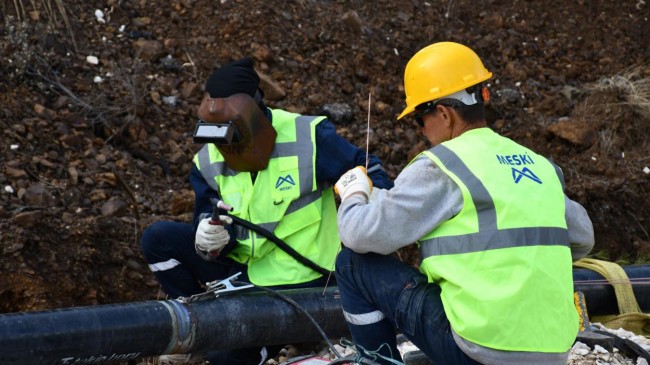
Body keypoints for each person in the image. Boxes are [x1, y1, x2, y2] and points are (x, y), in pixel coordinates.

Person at [332, 42, 595, 365]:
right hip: (552, 351)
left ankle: (377, 362)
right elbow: (583, 238)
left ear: (443, 113)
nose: (422, 130)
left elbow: (359, 233)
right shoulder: (538, 165)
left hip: (479, 350)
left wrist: (354, 192)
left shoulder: (442, 165)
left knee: (352, 264)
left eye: (419, 118)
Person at [140, 57, 393, 365]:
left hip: (307, 280)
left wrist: (370, 215)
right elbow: (207, 214)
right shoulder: (207, 160)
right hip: (245, 269)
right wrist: (210, 234)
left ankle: (260, 343)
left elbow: (372, 170)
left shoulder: (309, 138)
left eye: (235, 135)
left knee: (226, 358)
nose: (227, 149)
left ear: (256, 115)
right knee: (157, 239)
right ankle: (199, 325)